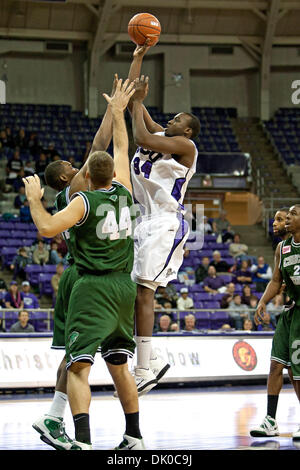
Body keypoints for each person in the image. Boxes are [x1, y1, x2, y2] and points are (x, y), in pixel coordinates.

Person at [28, 78, 145, 450]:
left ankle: (65, 426)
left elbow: (102, 147)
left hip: (91, 278)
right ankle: (125, 434)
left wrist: (115, 110)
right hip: (106, 280)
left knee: (77, 360)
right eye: (67, 163)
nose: (72, 161)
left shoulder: (84, 194)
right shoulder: (81, 189)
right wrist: (118, 111)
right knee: (93, 360)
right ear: (66, 177)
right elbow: (111, 148)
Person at [126, 42, 201, 395]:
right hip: (146, 220)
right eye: (170, 118)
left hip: (166, 222)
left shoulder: (186, 148)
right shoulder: (160, 136)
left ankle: (143, 367)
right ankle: (151, 360)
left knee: (144, 291)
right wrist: (138, 56)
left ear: (187, 131)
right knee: (136, 290)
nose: (171, 120)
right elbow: (133, 111)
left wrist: (140, 100)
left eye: (177, 120)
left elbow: (139, 132)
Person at [250, 206, 300, 439]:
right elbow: (276, 280)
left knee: (296, 372)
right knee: (275, 365)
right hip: (289, 313)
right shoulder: (282, 248)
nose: (286, 219)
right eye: (284, 216)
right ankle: (270, 420)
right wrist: (262, 302)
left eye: (291, 215)